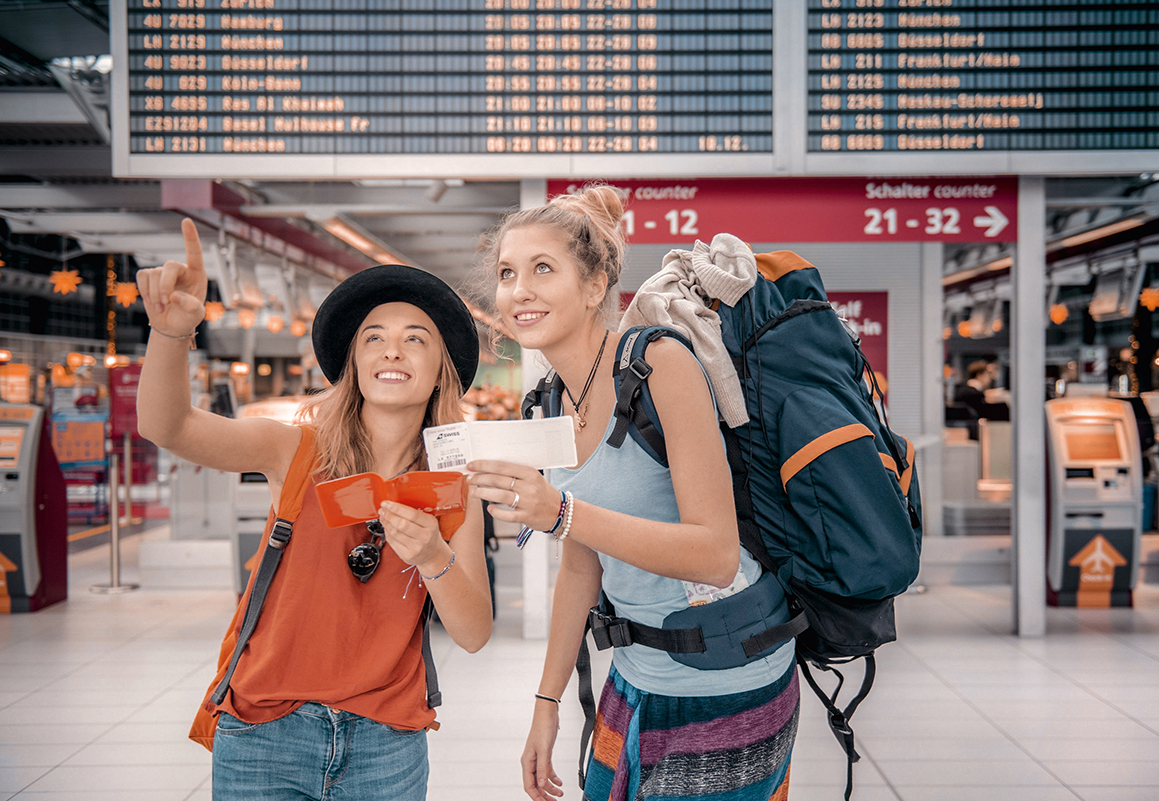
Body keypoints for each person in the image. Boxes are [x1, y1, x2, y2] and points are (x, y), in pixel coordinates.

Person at [136, 219, 493, 800]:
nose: (392, 349)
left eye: (415, 338)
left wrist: (432, 555)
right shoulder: (294, 449)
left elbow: (474, 633)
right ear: (353, 364)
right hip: (264, 731)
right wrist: (172, 334)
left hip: (388, 740)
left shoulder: (453, 489)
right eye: (373, 337)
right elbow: (167, 426)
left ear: (439, 374)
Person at [467, 186, 799, 801]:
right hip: (635, 670)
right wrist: (547, 702)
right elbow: (580, 561)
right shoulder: (546, 403)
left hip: (727, 675)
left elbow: (715, 554)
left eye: (543, 268)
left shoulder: (659, 364)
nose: (519, 289)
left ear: (595, 287)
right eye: (508, 273)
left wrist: (560, 512)